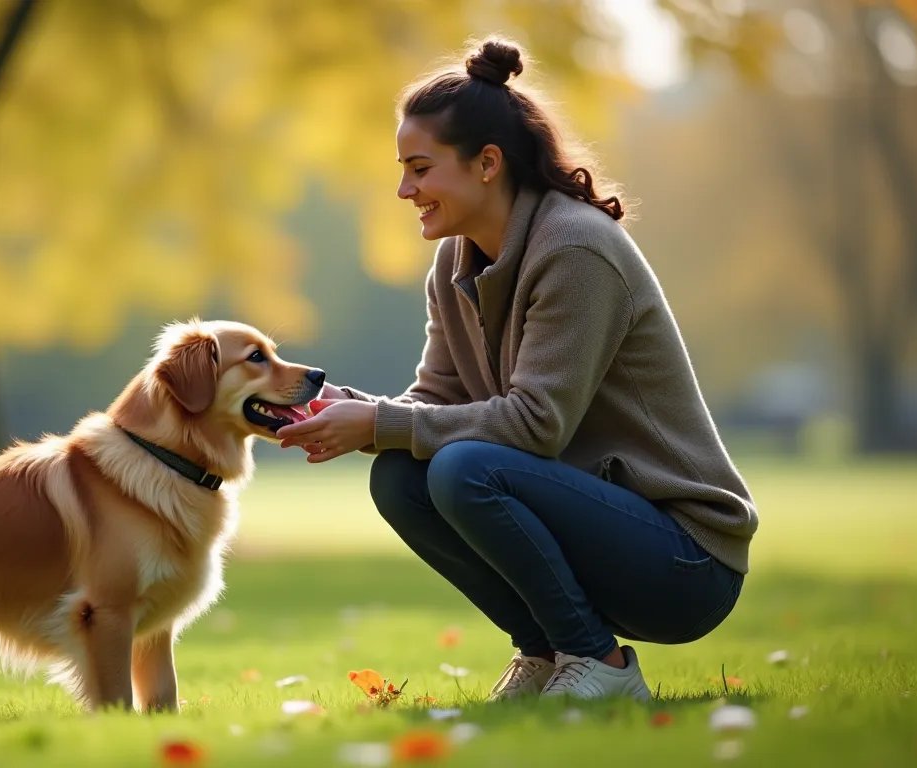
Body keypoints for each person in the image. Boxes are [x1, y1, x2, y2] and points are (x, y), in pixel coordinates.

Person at [275, 37, 757, 702]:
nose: (403, 189)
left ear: (487, 164)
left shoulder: (577, 250)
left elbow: (536, 427)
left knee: (463, 468)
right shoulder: (455, 262)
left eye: (419, 168)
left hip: (684, 559)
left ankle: (600, 666)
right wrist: (344, 408)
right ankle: (545, 652)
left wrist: (381, 422)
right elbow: (435, 400)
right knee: (400, 476)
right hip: (597, 524)